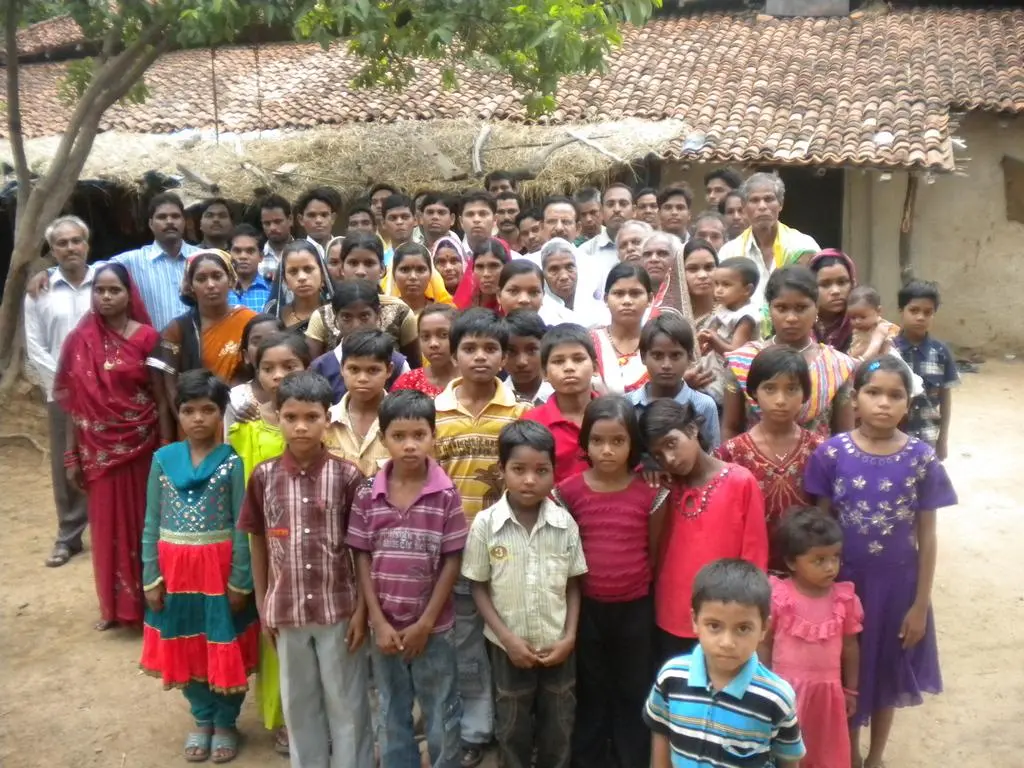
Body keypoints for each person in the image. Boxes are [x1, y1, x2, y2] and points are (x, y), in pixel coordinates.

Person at [804, 356, 957, 768]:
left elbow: (927, 535)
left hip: (897, 590)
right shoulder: (831, 454)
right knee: (846, 671)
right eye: (873, 392)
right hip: (844, 586)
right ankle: (849, 754)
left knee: (887, 671)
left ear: (909, 404)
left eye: (895, 395)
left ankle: (875, 758)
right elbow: (820, 528)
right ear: (855, 399)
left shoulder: (921, 459)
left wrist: (920, 605)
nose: (884, 403)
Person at [238, 371, 374, 768]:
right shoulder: (263, 477)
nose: (301, 426)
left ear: (327, 419)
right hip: (286, 609)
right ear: (277, 417)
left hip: (339, 608)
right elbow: (258, 540)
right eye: (291, 417)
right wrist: (263, 603)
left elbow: (361, 548)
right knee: (299, 702)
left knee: (347, 702)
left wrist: (362, 611)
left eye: (311, 417)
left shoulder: (348, 476)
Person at [140, 369, 258, 764]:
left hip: (219, 571)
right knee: (186, 641)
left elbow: (241, 523)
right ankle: (202, 716)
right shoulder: (163, 460)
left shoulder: (232, 462)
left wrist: (240, 580)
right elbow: (151, 520)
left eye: (208, 410)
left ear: (221, 413)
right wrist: (150, 576)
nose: (198, 419)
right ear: (177, 413)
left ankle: (225, 721)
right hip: (174, 572)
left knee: (224, 641)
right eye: (189, 410)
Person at [347, 390, 469, 768]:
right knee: (391, 707)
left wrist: (426, 623)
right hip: (385, 628)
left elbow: (452, 559)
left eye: (419, 435)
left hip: (434, 629)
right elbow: (361, 556)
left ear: (434, 436)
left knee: (441, 708)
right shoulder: (367, 493)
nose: (410, 445)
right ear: (383, 438)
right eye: (399, 436)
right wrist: (377, 620)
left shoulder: (446, 494)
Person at [433, 308, 531, 767]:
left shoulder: (519, 413)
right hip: (455, 550)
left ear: (504, 357)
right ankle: (475, 730)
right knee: (467, 642)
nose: (480, 356)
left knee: (510, 636)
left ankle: (515, 726)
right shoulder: (435, 413)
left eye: (490, 348)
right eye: (469, 348)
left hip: (508, 548)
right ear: (453, 355)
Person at [462, 421, 588, 768]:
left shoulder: (564, 523)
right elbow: (478, 585)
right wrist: (507, 639)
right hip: (508, 648)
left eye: (541, 470)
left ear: (553, 472)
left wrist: (569, 637)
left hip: (557, 645)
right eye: (519, 469)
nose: (530, 480)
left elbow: (573, 584)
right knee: (512, 724)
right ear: (501, 470)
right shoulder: (486, 524)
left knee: (558, 725)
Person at [552, 396, 669, 768]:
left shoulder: (651, 492)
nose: (607, 450)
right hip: (587, 609)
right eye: (598, 440)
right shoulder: (567, 492)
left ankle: (630, 758)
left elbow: (653, 552)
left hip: (635, 608)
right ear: (585, 443)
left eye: (618, 441)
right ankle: (588, 759)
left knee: (633, 687)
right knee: (591, 687)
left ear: (632, 444)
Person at [54, 263, 171, 629]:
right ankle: (114, 609)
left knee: (145, 524)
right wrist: (71, 455)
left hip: (144, 445)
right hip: (97, 452)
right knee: (106, 530)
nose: (105, 297)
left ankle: (151, 605)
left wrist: (166, 445)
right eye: (99, 290)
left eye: (114, 290)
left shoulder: (148, 337)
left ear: (129, 294)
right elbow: (74, 403)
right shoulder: (80, 339)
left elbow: (161, 397)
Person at [228, 331, 311, 757]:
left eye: (289, 366)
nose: (278, 376)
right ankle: (282, 718)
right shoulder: (246, 427)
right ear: (255, 372)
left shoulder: (318, 419)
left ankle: (317, 715)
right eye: (268, 368)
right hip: (268, 544)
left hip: (314, 544)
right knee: (275, 633)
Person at [640, 399, 768, 664]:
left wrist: (749, 614)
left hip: (726, 616)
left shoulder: (740, 482)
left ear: (692, 429)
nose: (669, 459)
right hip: (671, 613)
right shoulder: (663, 488)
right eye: (658, 455)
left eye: (671, 444)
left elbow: (755, 556)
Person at [644, 559, 806, 768]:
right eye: (714, 626)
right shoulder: (671, 677)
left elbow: (789, 759)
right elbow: (660, 733)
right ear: (695, 621)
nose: (727, 643)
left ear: (764, 628)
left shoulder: (776, 697)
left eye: (743, 628)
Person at [759, 507, 864, 768]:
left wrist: (851, 690)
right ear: (791, 562)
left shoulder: (844, 600)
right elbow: (764, 643)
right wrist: (763, 685)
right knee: (786, 755)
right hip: (785, 694)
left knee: (825, 753)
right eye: (819, 560)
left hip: (827, 697)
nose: (831, 567)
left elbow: (850, 647)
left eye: (835, 557)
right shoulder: (778, 597)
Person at [25, 216, 95, 568]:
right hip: (62, 392)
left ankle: (113, 531)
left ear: (87, 244)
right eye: (62, 243)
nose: (70, 248)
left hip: (107, 389)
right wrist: (68, 382)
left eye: (76, 241)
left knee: (110, 456)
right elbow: (35, 345)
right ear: (52, 251)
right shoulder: (40, 291)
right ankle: (69, 536)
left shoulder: (106, 281)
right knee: (66, 462)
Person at [715, 346, 824, 572]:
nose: (780, 400)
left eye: (791, 389)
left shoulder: (820, 450)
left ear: (805, 394)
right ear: (754, 392)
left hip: (807, 573)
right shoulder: (732, 453)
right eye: (770, 388)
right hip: (751, 573)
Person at [27, 192, 200, 331]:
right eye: (162, 217)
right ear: (150, 224)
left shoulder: (203, 258)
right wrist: (49, 273)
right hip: (155, 353)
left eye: (175, 216)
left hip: (201, 350)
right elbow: (87, 270)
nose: (169, 221)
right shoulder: (132, 261)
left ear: (184, 221)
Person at [724, 266, 856, 439]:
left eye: (801, 308)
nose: (791, 318)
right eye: (781, 308)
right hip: (751, 456)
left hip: (820, 456)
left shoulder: (837, 365)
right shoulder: (742, 361)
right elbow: (731, 428)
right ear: (769, 309)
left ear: (816, 308)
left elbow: (844, 436)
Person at [150, 250, 256, 421]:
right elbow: (170, 388)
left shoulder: (250, 321)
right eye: (201, 279)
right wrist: (188, 422)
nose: (210, 285)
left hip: (246, 417)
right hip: (197, 421)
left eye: (217, 276)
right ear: (191, 286)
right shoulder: (179, 329)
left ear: (230, 279)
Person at [308, 232, 420, 363]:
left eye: (369, 263)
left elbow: (414, 369)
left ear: (382, 269)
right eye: (353, 263)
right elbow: (313, 369)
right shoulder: (322, 316)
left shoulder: (400, 312)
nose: (360, 271)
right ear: (342, 268)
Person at [718, 173, 820, 310]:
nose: (762, 206)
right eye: (754, 200)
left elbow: (815, 295)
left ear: (780, 204)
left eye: (769, 199)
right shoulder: (729, 252)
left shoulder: (802, 246)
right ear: (744, 207)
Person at [629, 313, 720, 450]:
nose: (666, 365)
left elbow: (713, 454)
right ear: (643, 357)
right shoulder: (628, 405)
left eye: (675, 355)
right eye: (657, 355)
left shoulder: (703, 406)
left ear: (689, 356)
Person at [309, 281, 410, 402]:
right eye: (346, 317)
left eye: (364, 316)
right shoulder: (321, 367)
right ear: (336, 317)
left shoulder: (398, 364)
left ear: (378, 315)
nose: (356, 325)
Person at [892, 280, 959, 459]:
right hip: (891, 435)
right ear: (901, 311)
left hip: (926, 436)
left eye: (927, 312)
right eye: (914, 310)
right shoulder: (889, 350)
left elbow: (945, 398)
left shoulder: (941, 353)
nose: (921, 317)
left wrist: (942, 440)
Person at [524, 323, 599, 483]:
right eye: (558, 361)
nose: (569, 368)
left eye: (578, 359)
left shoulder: (616, 416)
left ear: (595, 367)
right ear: (544, 373)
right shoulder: (532, 423)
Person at [324, 329, 394, 477]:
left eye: (373, 370)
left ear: (389, 370)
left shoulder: (402, 422)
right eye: (354, 369)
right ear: (342, 368)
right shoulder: (326, 422)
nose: (362, 378)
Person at [590, 264, 653, 394]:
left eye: (635, 293)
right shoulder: (590, 342)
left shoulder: (659, 342)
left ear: (650, 299)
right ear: (606, 299)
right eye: (618, 294)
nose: (627, 301)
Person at [224, 313, 286, 434]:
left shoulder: (306, 392)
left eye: (272, 340)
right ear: (246, 355)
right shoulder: (236, 398)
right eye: (257, 341)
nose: (265, 346)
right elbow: (230, 442)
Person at [680, 238, 725, 405]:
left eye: (709, 267)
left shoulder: (732, 314)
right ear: (679, 272)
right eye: (692, 269)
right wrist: (681, 381)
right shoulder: (670, 316)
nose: (702, 275)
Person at [577, 184, 634, 297]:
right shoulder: (585, 252)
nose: (617, 209)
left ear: (634, 210)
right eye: (610, 204)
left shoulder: (649, 249)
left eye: (623, 204)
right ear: (602, 211)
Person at [265, 240, 334, 333]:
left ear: (322, 275)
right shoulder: (274, 316)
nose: (301, 277)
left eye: (308, 269)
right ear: (285, 280)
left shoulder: (337, 314)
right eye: (293, 271)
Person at [698, 256, 761, 358]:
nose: (718, 290)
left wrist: (713, 339)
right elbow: (711, 331)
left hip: (733, 365)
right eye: (716, 284)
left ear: (747, 290)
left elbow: (735, 352)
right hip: (715, 360)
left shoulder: (746, 317)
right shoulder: (724, 306)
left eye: (726, 285)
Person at [392, 304, 458, 397]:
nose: (433, 344)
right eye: (425, 337)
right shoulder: (408, 383)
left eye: (443, 335)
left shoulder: (473, 379)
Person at [384, 242, 454, 319]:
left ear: (430, 274)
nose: (413, 277)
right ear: (394, 274)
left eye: (420, 269)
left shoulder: (446, 314)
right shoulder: (384, 315)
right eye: (405, 270)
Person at [497, 260, 576, 326]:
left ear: (543, 296)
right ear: (499, 296)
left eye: (534, 292)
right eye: (513, 291)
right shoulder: (491, 336)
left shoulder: (559, 336)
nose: (524, 299)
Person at [809, 249, 858, 353]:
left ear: (852, 283)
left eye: (842, 282)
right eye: (825, 284)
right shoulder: (801, 326)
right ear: (811, 288)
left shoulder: (866, 324)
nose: (835, 291)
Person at [640, 231, 694, 321]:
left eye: (662, 253)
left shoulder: (691, 298)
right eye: (647, 255)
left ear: (678, 259)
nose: (653, 259)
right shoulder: (633, 299)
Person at [504, 309, 554, 405]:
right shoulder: (492, 398)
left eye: (532, 350)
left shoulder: (561, 396)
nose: (521, 362)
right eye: (511, 351)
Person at [452, 237, 511, 311]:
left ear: (506, 267)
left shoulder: (515, 306)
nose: (486, 274)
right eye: (479, 266)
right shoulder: (462, 305)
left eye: (494, 266)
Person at [846, 285, 900, 360]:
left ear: (878, 311)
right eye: (853, 318)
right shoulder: (857, 331)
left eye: (863, 317)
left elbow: (886, 353)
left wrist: (861, 360)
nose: (857, 321)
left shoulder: (885, 328)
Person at [228, 224, 274, 312]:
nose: (243, 256)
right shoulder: (221, 290)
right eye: (237, 251)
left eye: (250, 251)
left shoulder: (272, 290)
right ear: (228, 254)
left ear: (261, 256)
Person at [295, 186, 341, 255]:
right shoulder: (294, 254)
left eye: (324, 215)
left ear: (333, 218)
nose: (318, 220)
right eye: (312, 215)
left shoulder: (345, 249)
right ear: (301, 220)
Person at [259, 194, 295, 277]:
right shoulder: (257, 259)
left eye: (277, 222)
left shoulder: (307, 254)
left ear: (290, 220)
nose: (272, 228)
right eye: (267, 223)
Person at [380, 194, 417, 267]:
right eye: (393, 218)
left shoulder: (431, 255)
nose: (399, 222)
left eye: (405, 217)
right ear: (383, 223)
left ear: (415, 220)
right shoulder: (381, 261)